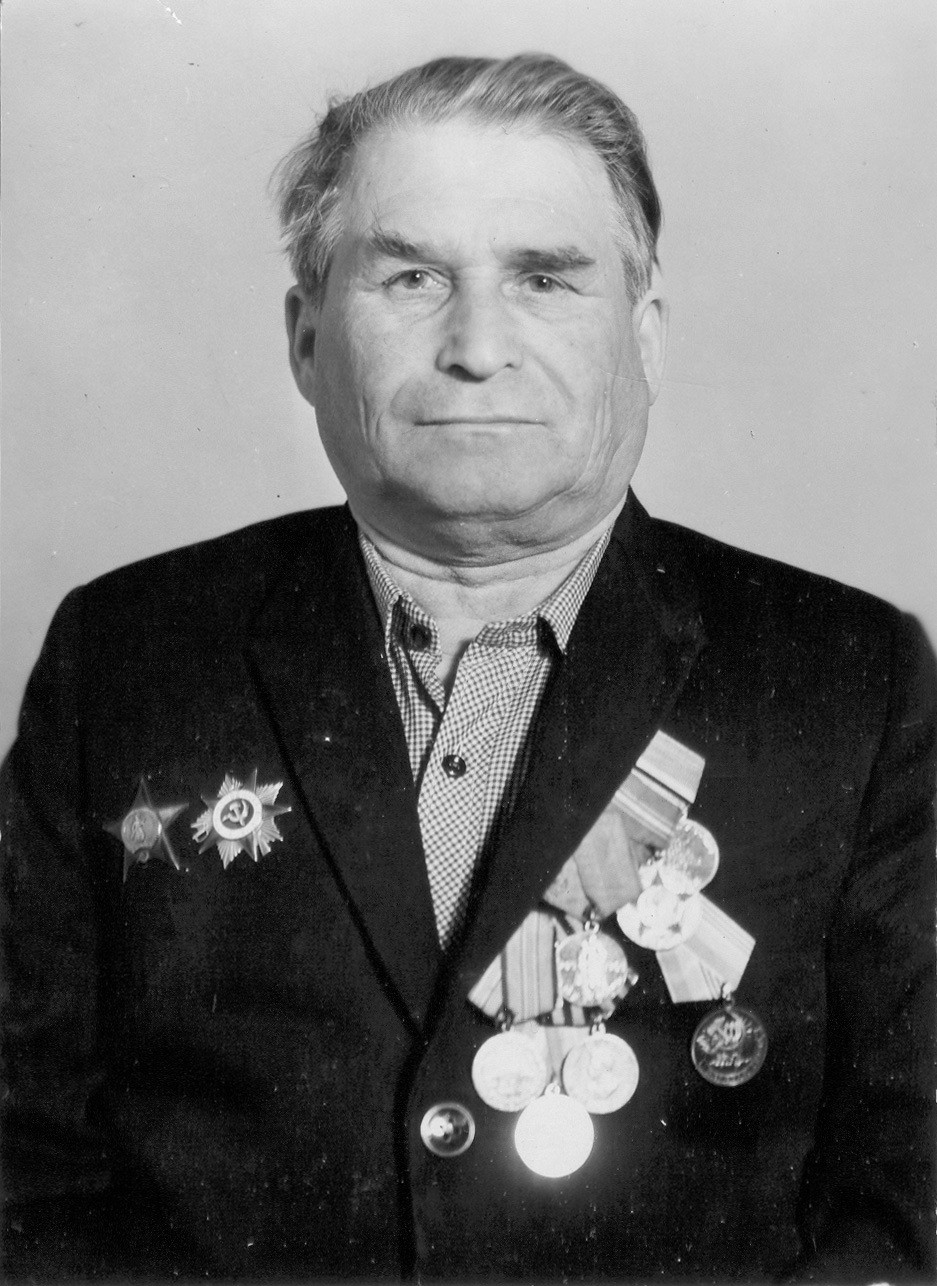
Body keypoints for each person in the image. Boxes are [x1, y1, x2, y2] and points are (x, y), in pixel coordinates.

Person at [2, 53, 934, 1283]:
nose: (477, 346)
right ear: (305, 338)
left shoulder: (847, 678)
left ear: (644, 337)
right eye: (411, 277)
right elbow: (21, 1166)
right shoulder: (126, 652)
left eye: (544, 277)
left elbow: (911, 1199)